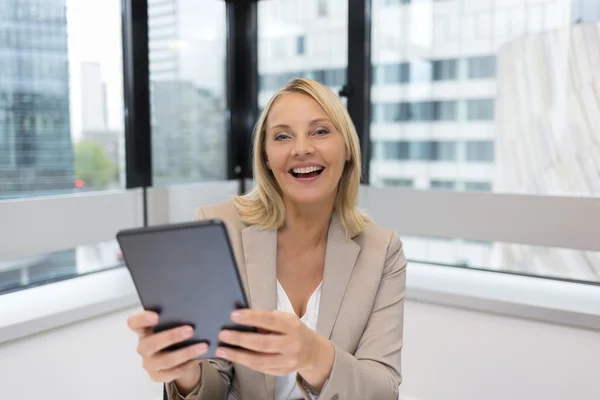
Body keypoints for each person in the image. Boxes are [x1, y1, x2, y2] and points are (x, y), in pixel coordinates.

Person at [126, 78, 407, 400]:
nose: (301, 148)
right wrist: (187, 372)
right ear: (267, 158)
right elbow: (214, 381)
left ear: (347, 150)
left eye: (320, 131)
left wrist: (314, 355)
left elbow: (383, 390)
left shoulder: (381, 250)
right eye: (283, 136)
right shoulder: (221, 228)